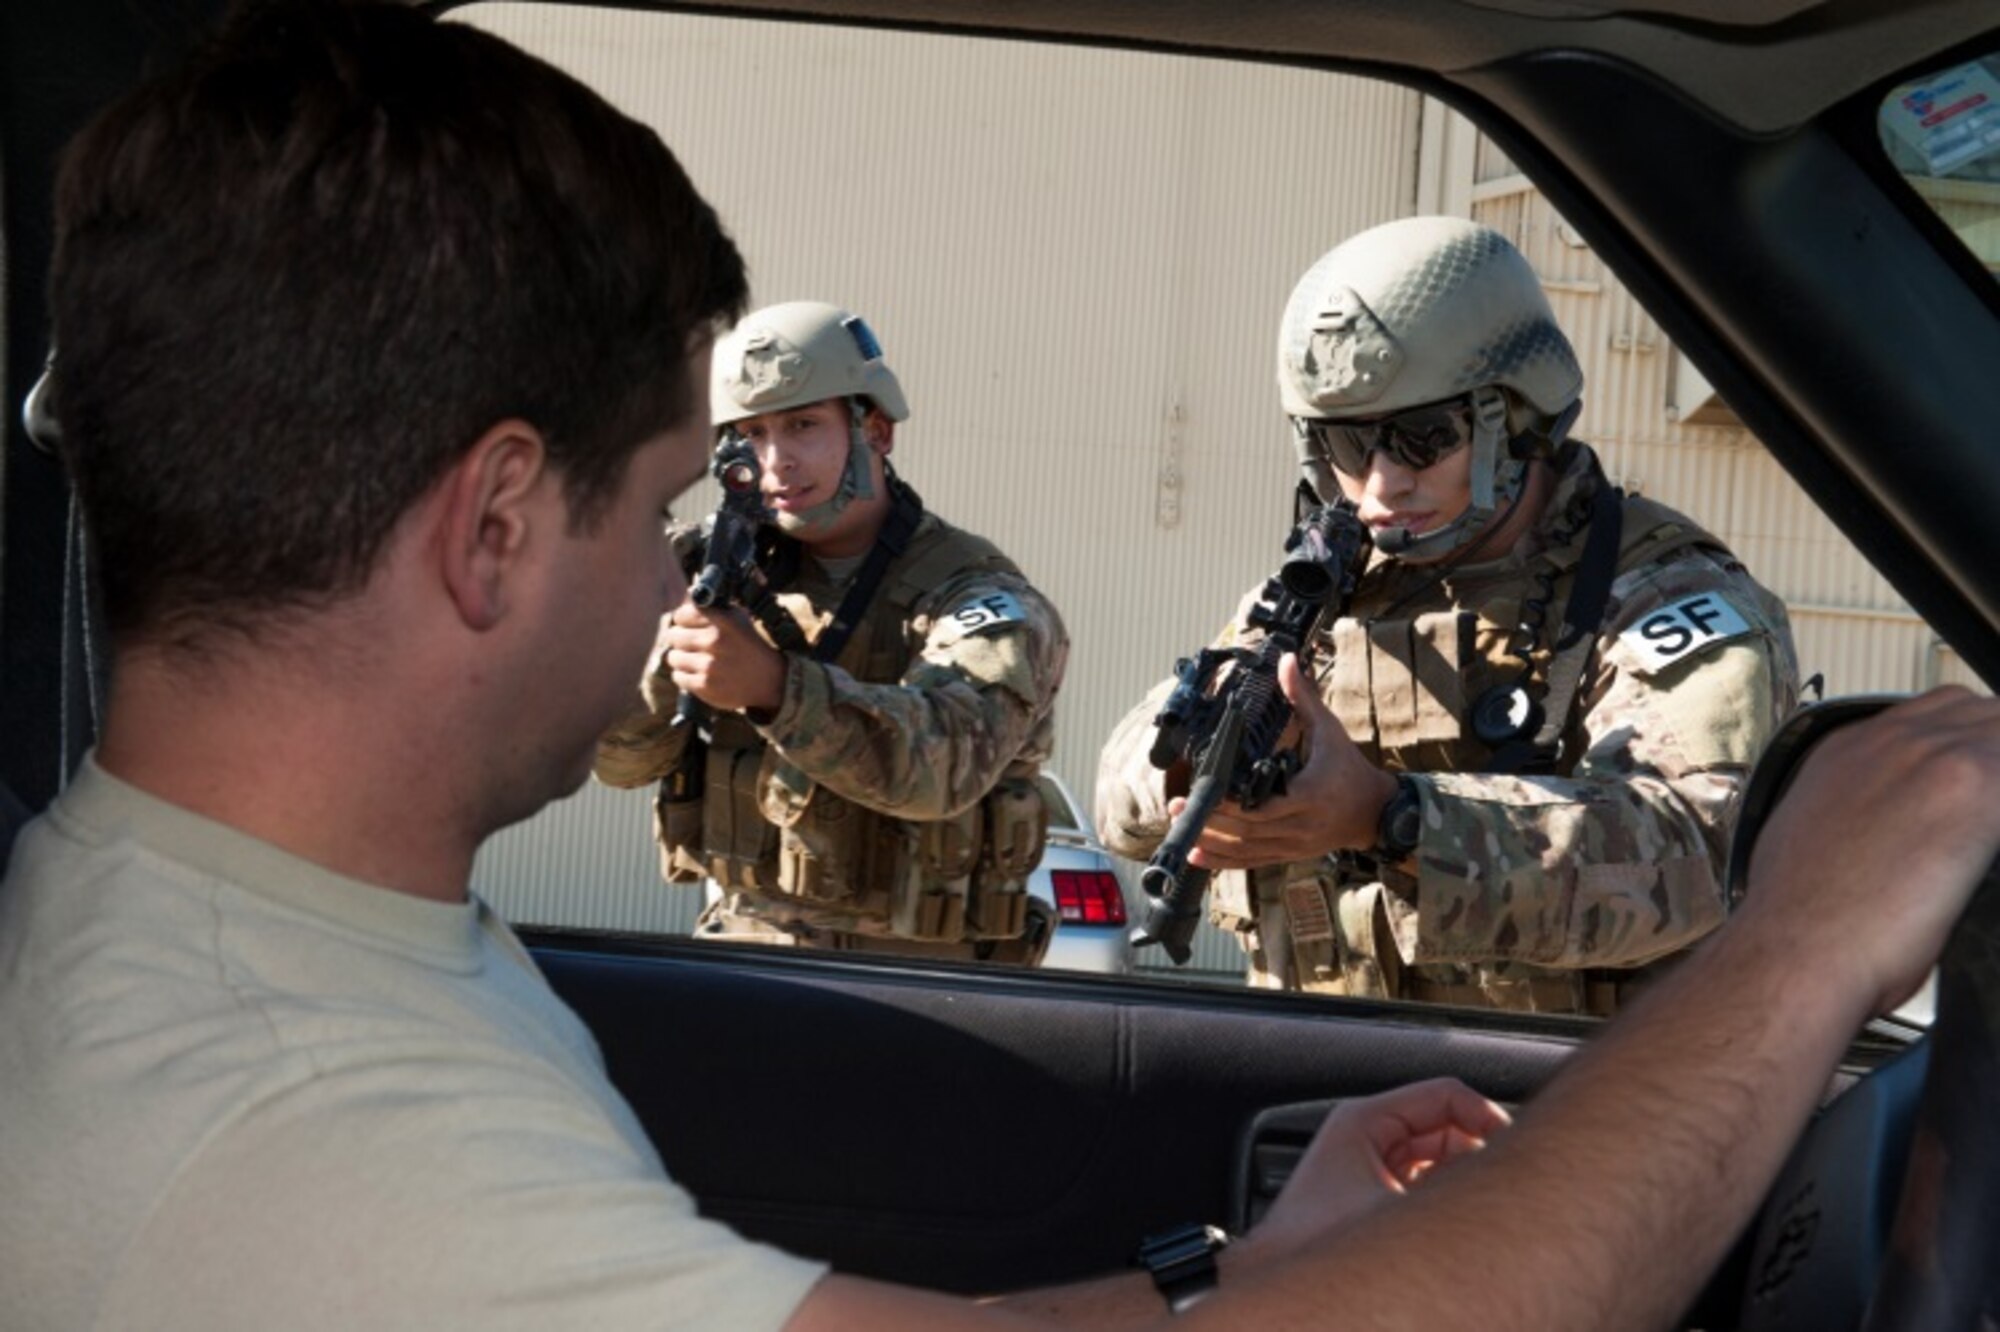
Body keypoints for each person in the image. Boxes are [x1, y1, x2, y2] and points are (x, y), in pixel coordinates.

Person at [3, 5, 1998, 1330]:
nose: (682, 570)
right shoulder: (307, 1131)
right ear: (495, 530)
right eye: (656, 508)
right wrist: (1800, 957)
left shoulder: (293, 970)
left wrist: (1225, 1279)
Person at [1097, 215, 1803, 1013]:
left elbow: (1696, 854)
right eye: (1347, 443)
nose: (1381, 484)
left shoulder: (1656, 593)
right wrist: (1189, 780)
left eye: (1424, 437)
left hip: (1560, 1102)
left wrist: (1390, 818)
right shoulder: (1319, 592)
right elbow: (1117, 795)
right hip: (1320, 1082)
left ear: (1516, 411)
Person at [592, 299, 1069, 964]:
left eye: (803, 426)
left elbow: (946, 763)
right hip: (741, 965)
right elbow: (619, 764)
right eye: (751, 434)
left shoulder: (977, 593)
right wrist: (657, 666)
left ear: (876, 429)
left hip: (934, 986)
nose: (776, 460)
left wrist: (772, 689)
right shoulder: (702, 570)